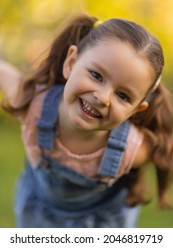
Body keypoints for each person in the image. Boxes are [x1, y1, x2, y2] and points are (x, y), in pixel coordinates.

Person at [0, 14, 172, 228]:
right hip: (39, 218)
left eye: (123, 96)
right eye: (96, 76)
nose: (103, 97)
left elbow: (165, 149)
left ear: (135, 110)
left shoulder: (132, 148)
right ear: (71, 63)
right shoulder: (32, 106)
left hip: (104, 224)